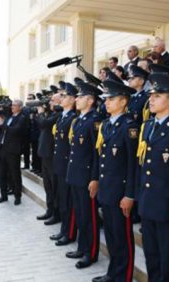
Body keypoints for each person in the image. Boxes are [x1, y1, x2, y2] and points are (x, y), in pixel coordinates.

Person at [136, 73, 169, 281]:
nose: (151, 99)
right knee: (151, 255)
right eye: (151, 95)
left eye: (157, 95)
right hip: (148, 202)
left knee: (168, 259)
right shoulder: (148, 126)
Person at [92, 79, 138, 282]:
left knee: (123, 238)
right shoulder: (108, 125)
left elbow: (132, 165)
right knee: (111, 236)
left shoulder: (129, 127)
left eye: (110, 99)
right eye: (105, 99)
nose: (106, 103)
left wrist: (129, 194)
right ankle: (113, 273)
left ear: (123, 101)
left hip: (121, 193)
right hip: (108, 190)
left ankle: (123, 276)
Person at [65, 81, 101, 269]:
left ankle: (91, 252)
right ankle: (82, 246)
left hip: (87, 177)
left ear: (90, 100)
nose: (76, 99)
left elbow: (97, 153)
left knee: (89, 217)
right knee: (79, 214)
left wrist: (95, 178)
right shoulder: (79, 120)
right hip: (76, 175)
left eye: (80, 96)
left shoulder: (94, 121)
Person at [50, 82, 78, 246]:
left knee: (68, 202)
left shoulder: (73, 119)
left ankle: (69, 232)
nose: (62, 98)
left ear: (73, 99)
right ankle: (64, 230)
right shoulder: (63, 116)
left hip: (68, 165)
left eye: (65, 96)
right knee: (62, 200)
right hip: (60, 164)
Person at [0, 99, 28, 205]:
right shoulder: (9, 117)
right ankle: (3, 195)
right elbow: (3, 130)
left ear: (20, 107)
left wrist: (2, 124)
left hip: (13, 150)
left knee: (15, 174)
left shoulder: (21, 118)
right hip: (3, 148)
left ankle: (18, 196)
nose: (12, 107)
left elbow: (15, 131)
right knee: (2, 174)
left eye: (14, 105)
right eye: (12, 105)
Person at [35, 93, 62, 225]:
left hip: (52, 156)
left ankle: (56, 213)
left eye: (53, 100)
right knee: (47, 186)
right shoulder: (51, 114)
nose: (50, 103)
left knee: (53, 186)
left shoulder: (57, 115)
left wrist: (40, 113)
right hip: (45, 154)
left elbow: (44, 124)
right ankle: (50, 210)